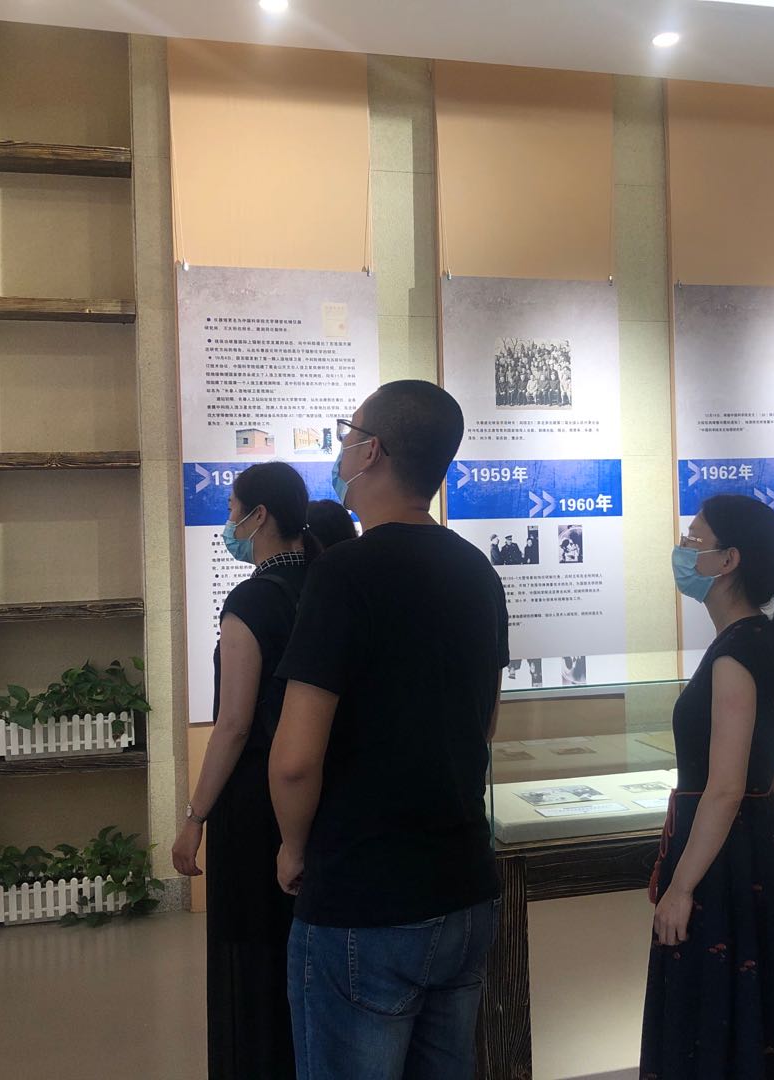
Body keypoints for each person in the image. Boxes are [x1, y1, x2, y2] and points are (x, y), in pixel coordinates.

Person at [269, 380, 507, 1080]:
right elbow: (484, 723)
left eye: (348, 435)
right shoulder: (477, 570)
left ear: (371, 450)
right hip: (462, 885)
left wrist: (292, 845)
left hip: (364, 895)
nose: (341, 450)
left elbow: (295, 758)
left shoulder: (343, 573)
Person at [642, 493, 774, 1079]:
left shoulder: (736, 654)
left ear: (728, 559)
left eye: (694, 539)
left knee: (710, 1011)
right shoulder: (766, 639)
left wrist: (681, 886)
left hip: (719, 859)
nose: (683, 549)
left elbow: (724, 788)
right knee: (754, 1008)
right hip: (754, 845)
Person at [169, 461, 324, 1080]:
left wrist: (194, 816)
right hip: (318, 796)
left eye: (233, 508)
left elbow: (233, 725)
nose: (229, 521)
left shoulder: (253, 600)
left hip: (257, 804)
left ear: (260, 516)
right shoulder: (327, 584)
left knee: (254, 963)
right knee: (304, 954)